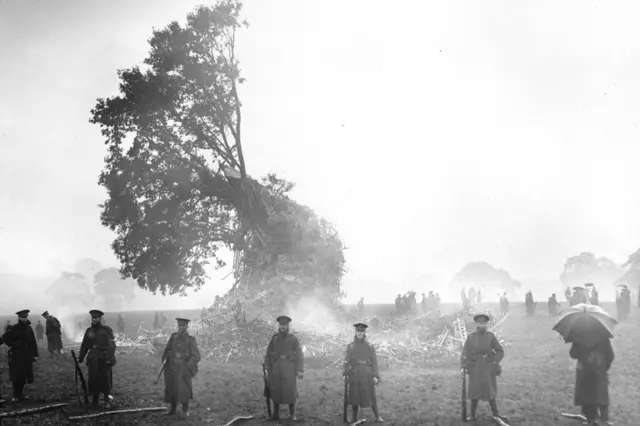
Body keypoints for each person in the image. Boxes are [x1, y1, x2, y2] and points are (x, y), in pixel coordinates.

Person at [460, 313, 506, 422]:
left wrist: (495, 362)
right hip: (475, 367)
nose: (482, 325)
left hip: (487, 367)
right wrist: (463, 365)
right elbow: (465, 352)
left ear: (486, 324)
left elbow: (500, 350)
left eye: (484, 323)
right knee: (474, 390)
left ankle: (496, 414)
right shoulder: (471, 338)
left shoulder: (491, 337)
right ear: (476, 324)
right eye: (480, 323)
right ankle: (472, 416)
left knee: (489, 390)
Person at [264, 315, 304, 421]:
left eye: (284, 325)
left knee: (290, 391)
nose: (283, 327)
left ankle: (292, 415)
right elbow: (268, 353)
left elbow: (299, 354)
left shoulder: (293, 339)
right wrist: (267, 366)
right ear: (279, 326)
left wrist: (299, 370)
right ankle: (275, 415)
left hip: (289, 369)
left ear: (288, 326)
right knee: (275, 391)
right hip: (276, 370)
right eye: (281, 325)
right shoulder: (274, 339)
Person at [343, 323, 383, 423]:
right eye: (358, 331)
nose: (359, 333)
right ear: (355, 332)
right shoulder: (351, 346)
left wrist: (375, 376)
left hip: (367, 374)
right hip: (355, 374)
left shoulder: (370, 346)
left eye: (361, 331)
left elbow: (374, 362)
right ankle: (354, 418)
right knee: (355, 396)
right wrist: (345, 373)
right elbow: (346, 361)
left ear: (365, 333)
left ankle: (377, 416)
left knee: (371, 396)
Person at [161, 318, 201, 417]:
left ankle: (185, 410)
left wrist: (187, 366)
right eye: (179, 326)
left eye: (183, 326)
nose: (181, 328)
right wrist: (165, 360)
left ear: (187, 327)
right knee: (172, 387)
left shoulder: (191, 339)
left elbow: (196, 356)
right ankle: (172, 409)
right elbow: (167, 349)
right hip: (172, 367)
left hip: (183, 369)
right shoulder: (173, 336)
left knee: (184, 389)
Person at [569, 338, 614, 425]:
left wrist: (576, 343)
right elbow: (610, 355)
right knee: (601, 394)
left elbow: (573, 354)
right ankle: (604, 419)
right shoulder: (604, 338)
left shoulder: (579, 338)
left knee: (586, 395)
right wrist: (605, 367)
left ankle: (591, 418)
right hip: (599, 370)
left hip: (584, 372)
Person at [78, 309, 116, 408]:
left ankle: (107, 401)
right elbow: (85, 345)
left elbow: (112, 345)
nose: (94, 319)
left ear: (100, 318)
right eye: (93, 318)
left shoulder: (106, 330)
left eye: (96, 318)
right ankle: (95, 402)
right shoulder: (89, 331)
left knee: (105, 380)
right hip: (93, 358)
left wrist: (110, 358)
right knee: (94, 379)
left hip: (104, 358)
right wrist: (81, 357)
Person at [0, 310, 39, 402]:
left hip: (27, 355)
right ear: (19, 318)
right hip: (17, 355)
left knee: (25, 374)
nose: (24, 319)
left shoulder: (29, 328)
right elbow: (5, 339)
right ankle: (16, 394)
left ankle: (21, 394)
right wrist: (15, 344)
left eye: (26, 317)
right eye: (22, 317)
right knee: (17, 375)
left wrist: (35, 354)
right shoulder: (14, 328)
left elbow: (33, 342)